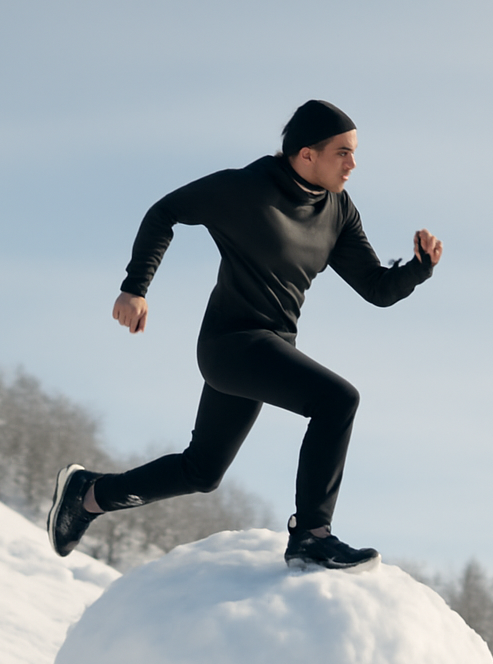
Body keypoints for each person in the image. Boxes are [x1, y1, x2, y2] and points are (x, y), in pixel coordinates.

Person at [47, 99, 442, 570]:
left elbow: (376, 288)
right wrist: (135, 288)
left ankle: (86, 496)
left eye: (354, 152)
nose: (353, 164)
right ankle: (313, 536)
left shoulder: (337, 210)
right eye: (343, 152)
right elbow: (164, 211)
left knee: (202, 471)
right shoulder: (244, 189)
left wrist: (419, 268)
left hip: (271, 348)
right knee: (338, 400)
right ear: (306, 153)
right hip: (231, 345)